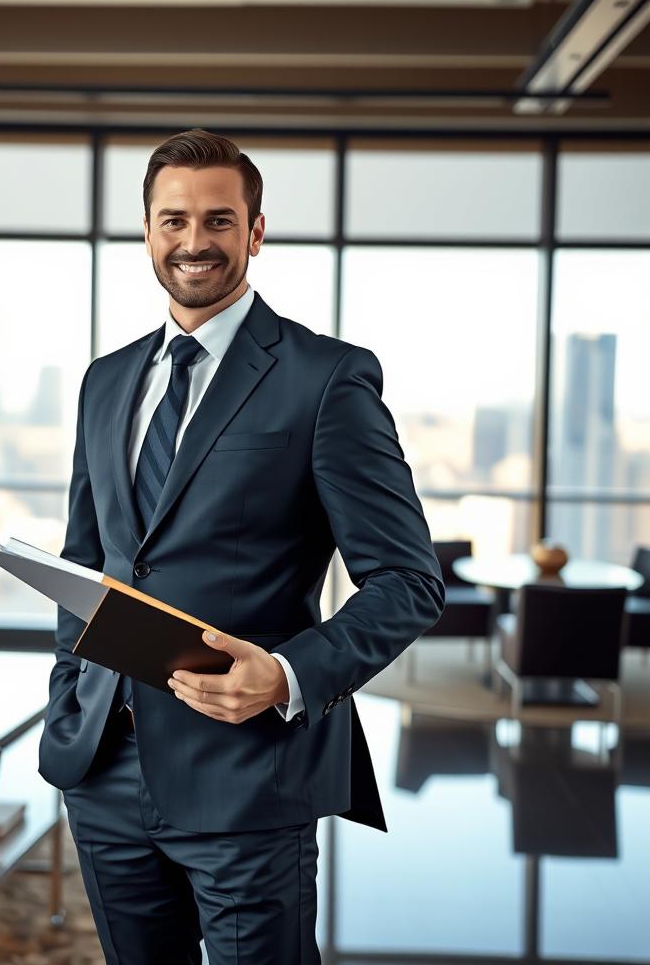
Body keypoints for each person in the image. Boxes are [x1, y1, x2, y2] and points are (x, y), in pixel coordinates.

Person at [37, 128, 445, 963]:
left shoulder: (327, 378)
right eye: (173, 221)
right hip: (104, 769)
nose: (195, 243)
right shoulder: (104, 381)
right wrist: (69, 698)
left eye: (219, 221)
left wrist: (291, 673)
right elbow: (89, 565)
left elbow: (408, 580)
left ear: (256, 231)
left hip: (250, 775)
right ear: (147, 230)